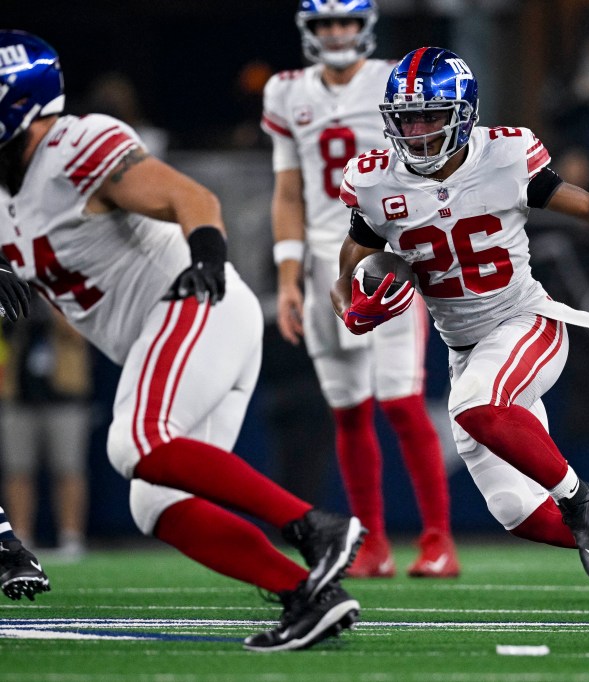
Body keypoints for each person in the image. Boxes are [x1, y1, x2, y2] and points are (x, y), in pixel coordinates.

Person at [0, 30, 366, 651]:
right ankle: (307, 596)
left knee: (135, 442)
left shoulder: (72, 146)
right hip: (184, 330)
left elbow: (190, 197)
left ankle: (315, 527)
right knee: (154, 502)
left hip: (194, 304)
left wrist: (207, 260)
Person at [330, 46, 589, 618]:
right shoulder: (375, 182)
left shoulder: (505, 156)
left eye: (432, 116)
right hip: (465, 348)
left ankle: (584, 499)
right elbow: (348, 268)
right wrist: (350, 305)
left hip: (525, 322)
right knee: (518, 513)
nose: (419, 131)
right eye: (407, 118)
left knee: (474, 405)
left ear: (464, 113)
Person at [261, 0, 459, 579]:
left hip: (388, 255)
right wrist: (288, 279)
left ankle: (438, 539)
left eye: (345, 21)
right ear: (310, 31)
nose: (338, 33)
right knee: (346, 409)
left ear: (365, 25)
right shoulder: (284, 91)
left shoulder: (396, 80)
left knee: (400, 400)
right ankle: (373, 544)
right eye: (326, 24)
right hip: (326, 261)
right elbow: (289, 192)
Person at [1, 296, 91, 559]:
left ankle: (71, 537)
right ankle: (21, 536)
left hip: (64, 395)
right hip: (18, 394)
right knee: (18, 471)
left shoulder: (67, 293)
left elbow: (81, 337)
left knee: (69, 469)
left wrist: (52, 308)